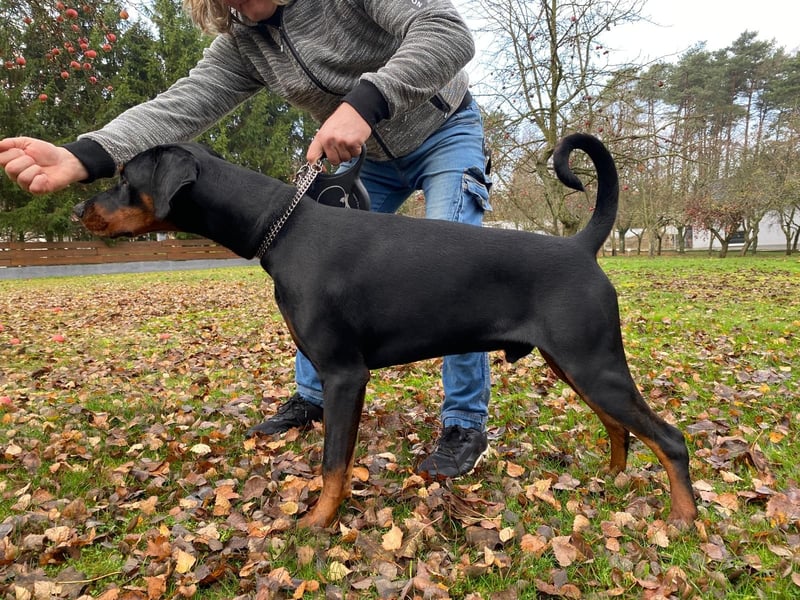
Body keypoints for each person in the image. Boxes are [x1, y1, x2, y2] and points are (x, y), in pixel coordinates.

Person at [0, 0, 493, 478]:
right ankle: (314, 398)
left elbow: (447, 32)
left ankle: (464, 424)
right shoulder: (245, 43)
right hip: (363, 160)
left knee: (463, 271)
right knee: (313, 270)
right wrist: (84, 156)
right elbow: (178, 108)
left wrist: (364, 104)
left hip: (444, 131)